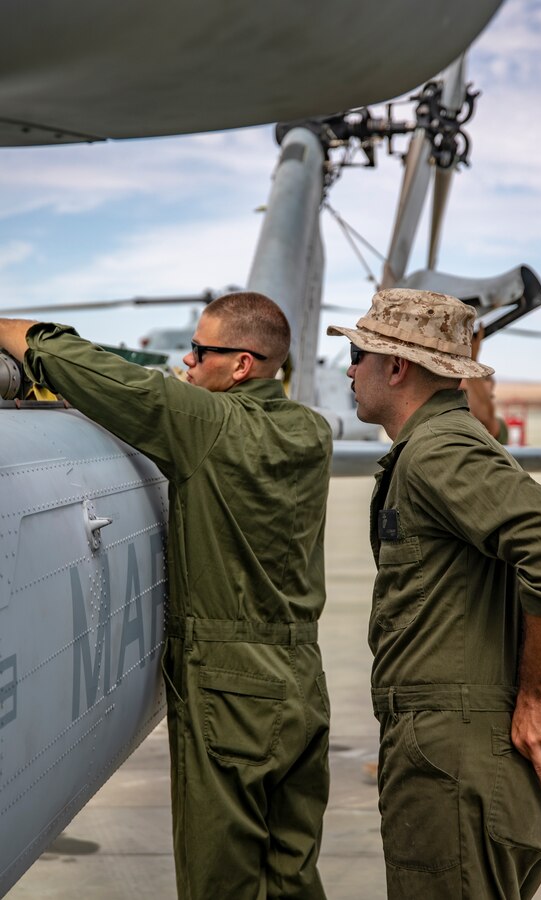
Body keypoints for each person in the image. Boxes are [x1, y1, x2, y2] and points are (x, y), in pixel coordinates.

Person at [0, 292, 332, 900]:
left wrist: (18, 333)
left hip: (232, 692)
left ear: (241, 365)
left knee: (220, 883)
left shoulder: (209, 427)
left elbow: (116, 382)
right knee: (292, 872)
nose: (188, 360)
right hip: (300, 680)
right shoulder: (310, 431)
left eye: (202, 351)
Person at [326, 288, 541, 900]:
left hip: (457, 761)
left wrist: (540, 696)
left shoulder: (439, 451)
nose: (348, 369)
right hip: (464, 755)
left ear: (397, 367)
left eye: (359, 354)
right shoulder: (441, 445)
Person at [461, 325, 509, 443]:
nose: (476, 382)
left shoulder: (499, 427)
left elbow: (485, 415)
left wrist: (472, 360)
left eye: (484, 380)